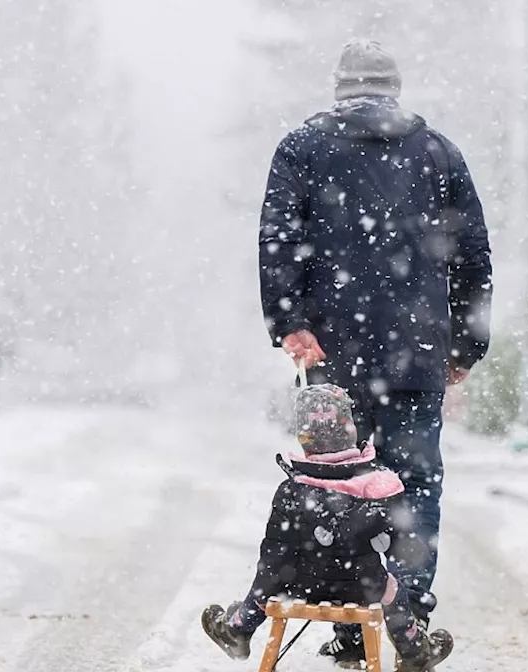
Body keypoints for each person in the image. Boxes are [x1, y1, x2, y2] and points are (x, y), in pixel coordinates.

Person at [258, 39, 493, 665]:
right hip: (416, 354)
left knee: (336, 486)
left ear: (340, 88)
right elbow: (473, 254)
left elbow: (280, 239)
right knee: (413, 485)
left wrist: (291, 323)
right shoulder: (439, 153)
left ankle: (346, 620)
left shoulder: (301, 149)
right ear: (394, 89)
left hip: (333, 353)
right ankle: (407, 616)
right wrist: (465, 343)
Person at [201, 384, 453, 671]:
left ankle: (238, 628)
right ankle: (413, 650)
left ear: (302, 437)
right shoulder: (378, 485)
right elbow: (406, 549)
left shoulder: (292, 490)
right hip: (364, 588)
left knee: (271, 572)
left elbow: (274, 556)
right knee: (393, 589)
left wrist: (264, 591)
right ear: (351, 429)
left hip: (298, 586)